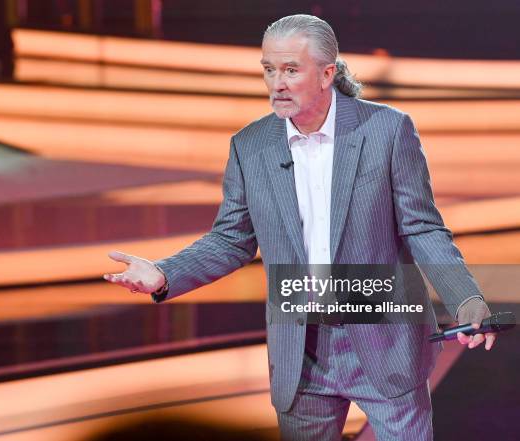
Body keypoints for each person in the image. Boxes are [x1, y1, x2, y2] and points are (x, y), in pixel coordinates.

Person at [104, 14, 495, 441]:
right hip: (301, 350)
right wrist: (165, 273)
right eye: (269, 70)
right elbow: (231, 239)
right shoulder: (249, 146)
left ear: (328, 73)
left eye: (291, 70)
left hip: (385, 339)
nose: (278, 83)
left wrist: (466, 298)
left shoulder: (386, 131)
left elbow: (422, 228)